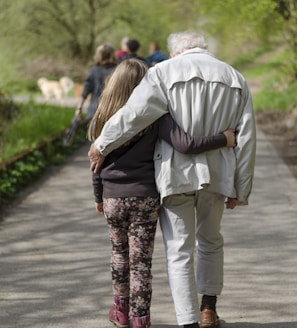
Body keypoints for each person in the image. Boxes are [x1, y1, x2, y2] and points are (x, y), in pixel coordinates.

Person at [88, 31, 256, 328]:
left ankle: (187, 321)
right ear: (202, 48)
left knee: (179, 249)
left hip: (175, 174)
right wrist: (241, 188)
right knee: (211, 241)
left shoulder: (162, 73)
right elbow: (247, 137)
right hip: (217, 174)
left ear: (176, 52)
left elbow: (134, 114)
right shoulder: (234, 77)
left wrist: (102, 143)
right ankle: (208, 309)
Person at [76, 44, 117, 122]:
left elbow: (85, 92)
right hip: (112, 112)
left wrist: (78, 110)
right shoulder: (117, 70)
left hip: (94, 111)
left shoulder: (93, 71)